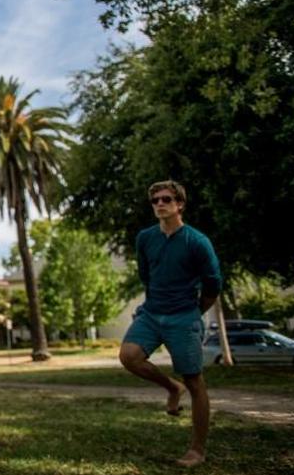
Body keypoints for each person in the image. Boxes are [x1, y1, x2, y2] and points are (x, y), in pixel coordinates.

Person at [118, 180, 222, 467]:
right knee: (129, 356)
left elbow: (213, 284)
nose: (160, 204)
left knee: (195, 381)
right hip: (151, 312)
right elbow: (146, 275)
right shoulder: (145, 238)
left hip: (183, 315)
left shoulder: (197, 242)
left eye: (166, 199)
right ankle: (171, 388)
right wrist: (156, 304)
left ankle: (197, 450)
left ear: (180, 204)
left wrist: (193, 312)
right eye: (155, 200)